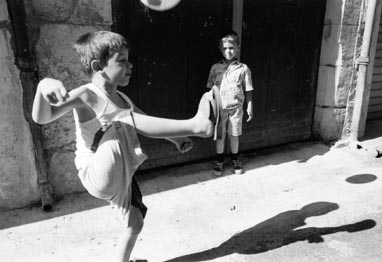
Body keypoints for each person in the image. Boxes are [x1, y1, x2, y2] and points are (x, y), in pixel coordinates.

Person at [31, 31, 215, 262]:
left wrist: (176, 139)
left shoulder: (124, 100)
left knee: (135, 222)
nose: (130, 65)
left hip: (121, 173)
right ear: (98, 66)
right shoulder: (87, 94)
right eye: (122, 61)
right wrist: (42, 86)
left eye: (129, 59)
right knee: (120, 120)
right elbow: (42, 118)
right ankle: (196, 126)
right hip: (96, 173)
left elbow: (144, 120)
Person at [206, 31, 254, 176]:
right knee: (220, 136)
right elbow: (210, 89)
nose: (228, 51)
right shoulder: (215, 68)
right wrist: (209, 107)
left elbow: (248, 89)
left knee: (234, 135)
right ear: (221, 49)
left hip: (236, 109)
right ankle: (219, 161)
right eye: (225, 48)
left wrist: (250, 106)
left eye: (232, 48)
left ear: (238, 48)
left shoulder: (243, 69)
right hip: (220, 110)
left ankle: (235, 159)